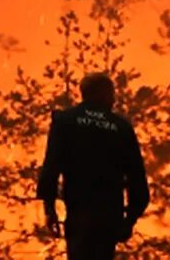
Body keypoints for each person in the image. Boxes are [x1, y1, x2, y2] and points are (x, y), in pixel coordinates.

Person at [37, 72, 150, 260]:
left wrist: (49, 209)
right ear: (104, 93)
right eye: (112, 93)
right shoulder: (121, 127)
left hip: (78, 213)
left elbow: (51, 166)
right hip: (108, 217)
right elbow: (137, 178)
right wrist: (129, 219)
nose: (114, 99)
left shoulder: (65, 121)